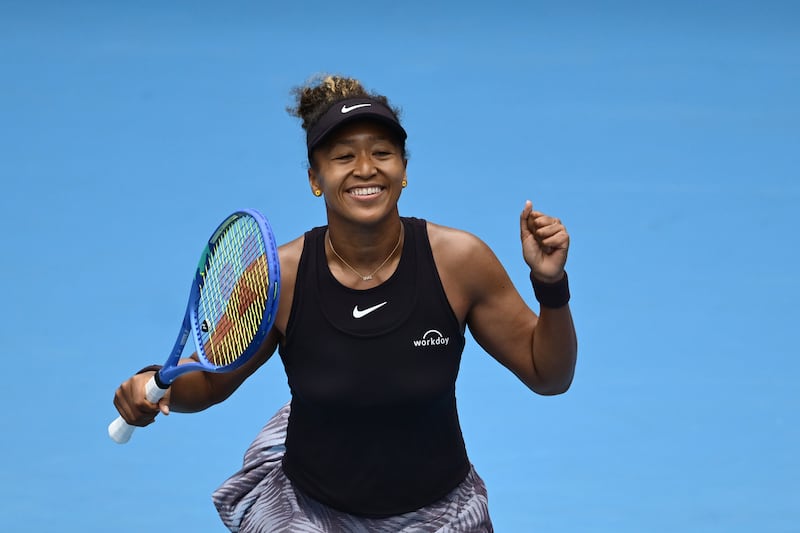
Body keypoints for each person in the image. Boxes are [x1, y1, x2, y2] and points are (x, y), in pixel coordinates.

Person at [112, 74, 577, 532]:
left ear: (404, 169)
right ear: (316, 177)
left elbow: (548, 374)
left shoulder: (459, 262)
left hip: (439, 514)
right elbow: (210, 381)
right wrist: (156, 386)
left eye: (382, 153)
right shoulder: (282, 277)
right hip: (310, 514)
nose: (366, 168)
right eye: (342, 157)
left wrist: (549, 283)